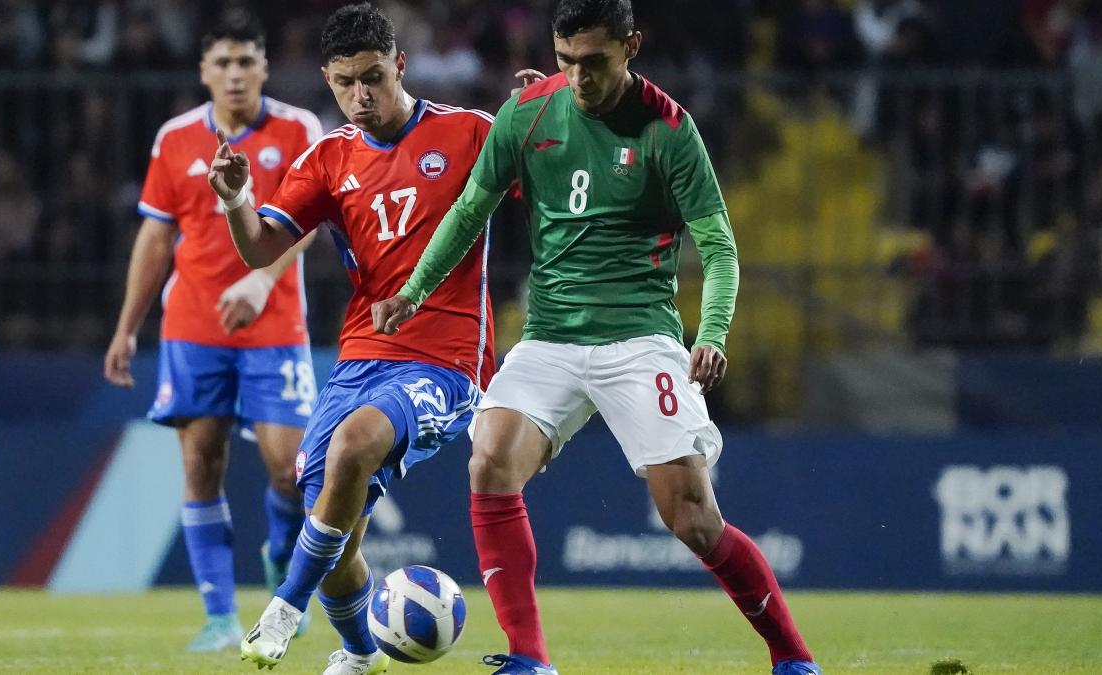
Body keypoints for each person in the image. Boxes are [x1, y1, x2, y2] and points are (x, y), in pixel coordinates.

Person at [371, 1, 822, 674]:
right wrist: (413, 289)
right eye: (564, 61)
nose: (578, 78)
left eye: (595, 62)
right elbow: (471, 208)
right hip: (550, 335)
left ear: (631, 45)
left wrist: (716, 330)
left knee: (692, 518)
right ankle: (531, 658)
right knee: (489, 459)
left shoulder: (670, 130)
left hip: (640, 337)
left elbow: (720, 249)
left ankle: (792, 656)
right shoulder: (527, 114)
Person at [209, 4, 495, 674]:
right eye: (345, 83)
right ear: (328, 79)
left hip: (446, 360)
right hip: (361, 358)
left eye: (373, 76)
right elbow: (260, 249)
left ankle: (283, 607)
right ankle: (363, 653)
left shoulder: (470, 134)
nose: (361, 95)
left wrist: (540, 109)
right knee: (335, 531)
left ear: (400, 63)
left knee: (354, 442)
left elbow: (546, 187)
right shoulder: (328, 157)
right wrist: (234, 201)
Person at [103, 10, 321, 652]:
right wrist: (126, 327)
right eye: (222, 63)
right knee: (201, 463)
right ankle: (220, 617)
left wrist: (260, 279)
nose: (234, 74)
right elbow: (156, 235)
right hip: (194, 325)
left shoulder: (297, 128)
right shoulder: (174, 139)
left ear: (263, 67)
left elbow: (307, 221)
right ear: (204, 71)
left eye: (246, 61)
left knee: (292, 471)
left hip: (275, 322)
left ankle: (281, 557)